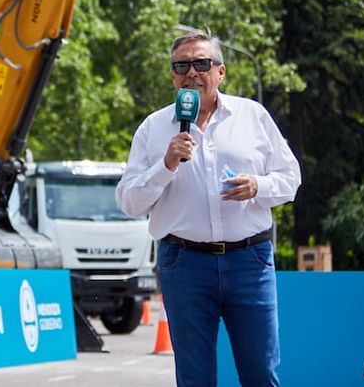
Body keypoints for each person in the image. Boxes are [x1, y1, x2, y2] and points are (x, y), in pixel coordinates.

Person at [116, 31, 301, 386]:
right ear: (172, 76)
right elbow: (129, 202)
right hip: (184, 265)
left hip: (250, 261)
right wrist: (165, 165)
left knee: (261, 373)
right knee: (195, 378)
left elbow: (291, 177)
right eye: (181, 65)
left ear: (221, 71)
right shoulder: (154, 129)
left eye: (201, 63)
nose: (192, 72)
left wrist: (258, 186)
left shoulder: (252, 116)